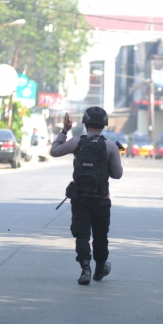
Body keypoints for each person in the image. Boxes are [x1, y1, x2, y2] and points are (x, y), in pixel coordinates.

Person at [50, 107, 123, 285]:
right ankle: (100, 268)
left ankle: (85, 269)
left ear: (86, 123)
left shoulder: (76, 142)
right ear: (104, 124)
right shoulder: (110, 146)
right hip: (101, 199)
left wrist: (64, 131)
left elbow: (54, 151)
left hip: (80, 199)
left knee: (82, 235)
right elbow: (117, 174)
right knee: (100, 236)